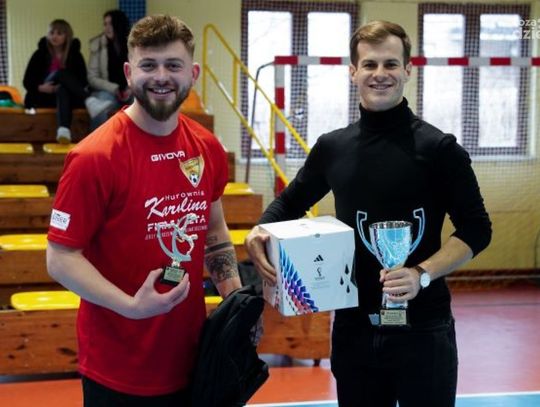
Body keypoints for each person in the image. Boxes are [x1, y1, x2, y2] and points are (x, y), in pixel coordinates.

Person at [245, 20, 492, 407]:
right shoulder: (333, 148)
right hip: (354, 329)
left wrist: (421, 274)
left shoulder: (440, 149)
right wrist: (258, 230)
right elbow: (289, 203)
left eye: (391, 64)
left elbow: (477, 229)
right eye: (370, 64)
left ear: (408, 70)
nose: (380, 74)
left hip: (424, 329)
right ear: (353, 72)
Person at [46, 15, 242, 406]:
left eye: (173, 65)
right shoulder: (93, 156)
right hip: (117, 369)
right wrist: (131, 307)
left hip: (192, 360)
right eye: (148, 65)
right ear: (128, 72)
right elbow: (60, 258)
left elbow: (214, 231)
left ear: (193, 73)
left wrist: (236, 301)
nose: (161, 77)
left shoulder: (207, 147)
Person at [23, 19, 113, 144]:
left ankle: (63, 131)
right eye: (51, 33)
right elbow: (27, 81)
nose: (54, 36)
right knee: (60, 73)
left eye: (59, 33)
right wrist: (42, 88)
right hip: (44, 96)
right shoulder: (39, 54)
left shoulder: (75, 55)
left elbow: (82, 81)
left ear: (67, 36)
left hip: (68, 98)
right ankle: (90, 100)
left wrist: (67, 85)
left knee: (62, 88)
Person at [87, 9, 132, 130]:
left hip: (131, 91)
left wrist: (131, 88)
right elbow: (92, 77)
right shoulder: (97, 45)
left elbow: (141, 72)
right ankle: (98, 141)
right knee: (102, 105)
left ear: (119, 24)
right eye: (105, 24)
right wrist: (114, 88)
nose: (107, 28)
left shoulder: (134, 45)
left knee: (143, 102)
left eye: (110, 24)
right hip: (107, 91)